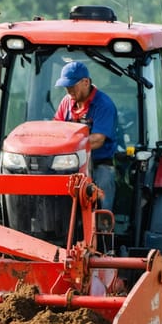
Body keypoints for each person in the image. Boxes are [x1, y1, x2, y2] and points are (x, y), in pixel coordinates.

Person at [54, 61, 118, 211]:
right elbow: (56, 128)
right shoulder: (66, 102)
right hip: (68, 163)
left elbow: (97, 139)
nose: (69, 90)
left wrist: (67, 147)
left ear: (86, 82)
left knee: (104, 182)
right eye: (66, 86)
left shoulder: (104, 105)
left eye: (72, 85)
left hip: (98, 162)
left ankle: (103, 226)